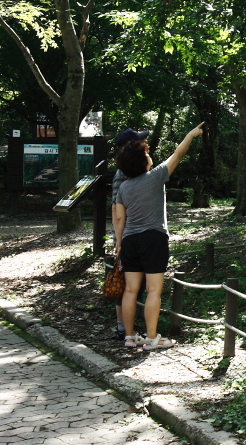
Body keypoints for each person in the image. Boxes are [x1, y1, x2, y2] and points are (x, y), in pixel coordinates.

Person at [115, 122, 204, 350]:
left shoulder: (124, 187)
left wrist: (119, 243)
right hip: (153, 238)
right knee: (154, 290)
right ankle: (152, 337)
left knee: (130, 290)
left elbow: (119, 218)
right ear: (141, 160)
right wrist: (191, 135)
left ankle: (130, 336)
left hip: (130, 241)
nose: (149, 154)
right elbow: (178, 153)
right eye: (146, 152)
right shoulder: (155, 177)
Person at [110, 128, 149, 340]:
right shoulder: (124, 173)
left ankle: (124, 327)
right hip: (129, 237)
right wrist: (120, 240)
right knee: (128, 285)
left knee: (128, 284)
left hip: (126, 236)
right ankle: (124, 328)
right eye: (141, 142)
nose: (145, 144)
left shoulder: (126, 171)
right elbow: (117, 210)